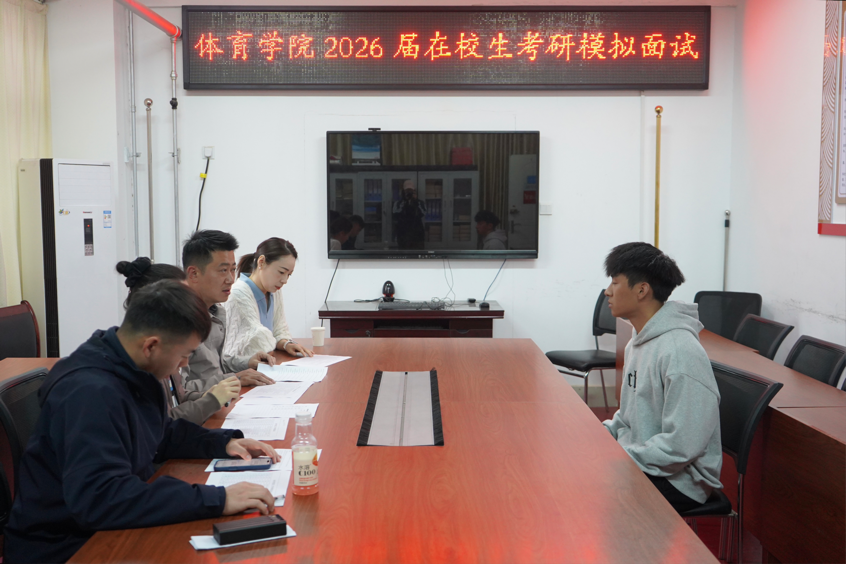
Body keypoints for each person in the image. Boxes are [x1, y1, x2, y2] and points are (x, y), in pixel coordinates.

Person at [4, 281, 281, 564]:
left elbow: (160, 433)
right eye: (184, 354)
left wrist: (224, 443)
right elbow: (102, 498)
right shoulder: (90, 393)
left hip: (101, 528)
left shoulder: (132, 368)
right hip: (66, 547)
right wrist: (217, 499)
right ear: (151, 346)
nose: (184, 364)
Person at [601, 242, 722, 513]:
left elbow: (682, 445)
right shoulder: (638, 341)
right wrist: (599, 437)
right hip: (642, 458)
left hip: (679, 479)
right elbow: (629, 416)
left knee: (585, 488)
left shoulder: (680, 351)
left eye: (615, 282)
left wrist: (619, 458)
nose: (608, 291)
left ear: (642, 290)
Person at [116, 257, 239, 425]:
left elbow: (180, 397)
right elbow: (164, 424)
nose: (184, 363)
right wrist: (211, 400)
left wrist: (212, 396)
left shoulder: (159, 351)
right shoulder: (117, 383)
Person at [181, 230, 276, 396]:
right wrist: (234, 379)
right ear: (194, 274)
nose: (231, 279)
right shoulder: (180, 321)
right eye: (223, 270)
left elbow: (214, 366)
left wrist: (248, 362)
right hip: (205, 405)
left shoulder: (216, 312)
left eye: (232, 269)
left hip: (221, 399)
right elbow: (181, 390)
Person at [224, 237, 313, 359]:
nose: (285, 280)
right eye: (281, 272)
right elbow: (258, 340)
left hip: (266, 362)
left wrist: (286, 344)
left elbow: (279, 329)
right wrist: (277, 342)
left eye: (289, 275)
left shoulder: (274, 291)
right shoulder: (238, 293)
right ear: (261, 262)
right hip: (243, 367)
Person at [392, 179, 426, 249]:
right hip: (403, 233)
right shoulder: (398, 203)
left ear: (414, 191)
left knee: (418, 253)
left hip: (417, 233)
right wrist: (404, 202)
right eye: (407, 191)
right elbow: (395, 214)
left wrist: (415, 201)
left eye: (411, 191)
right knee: (403, 253)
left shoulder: (420, 203)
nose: (409, 193)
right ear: (403, 191)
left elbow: (423, 213)